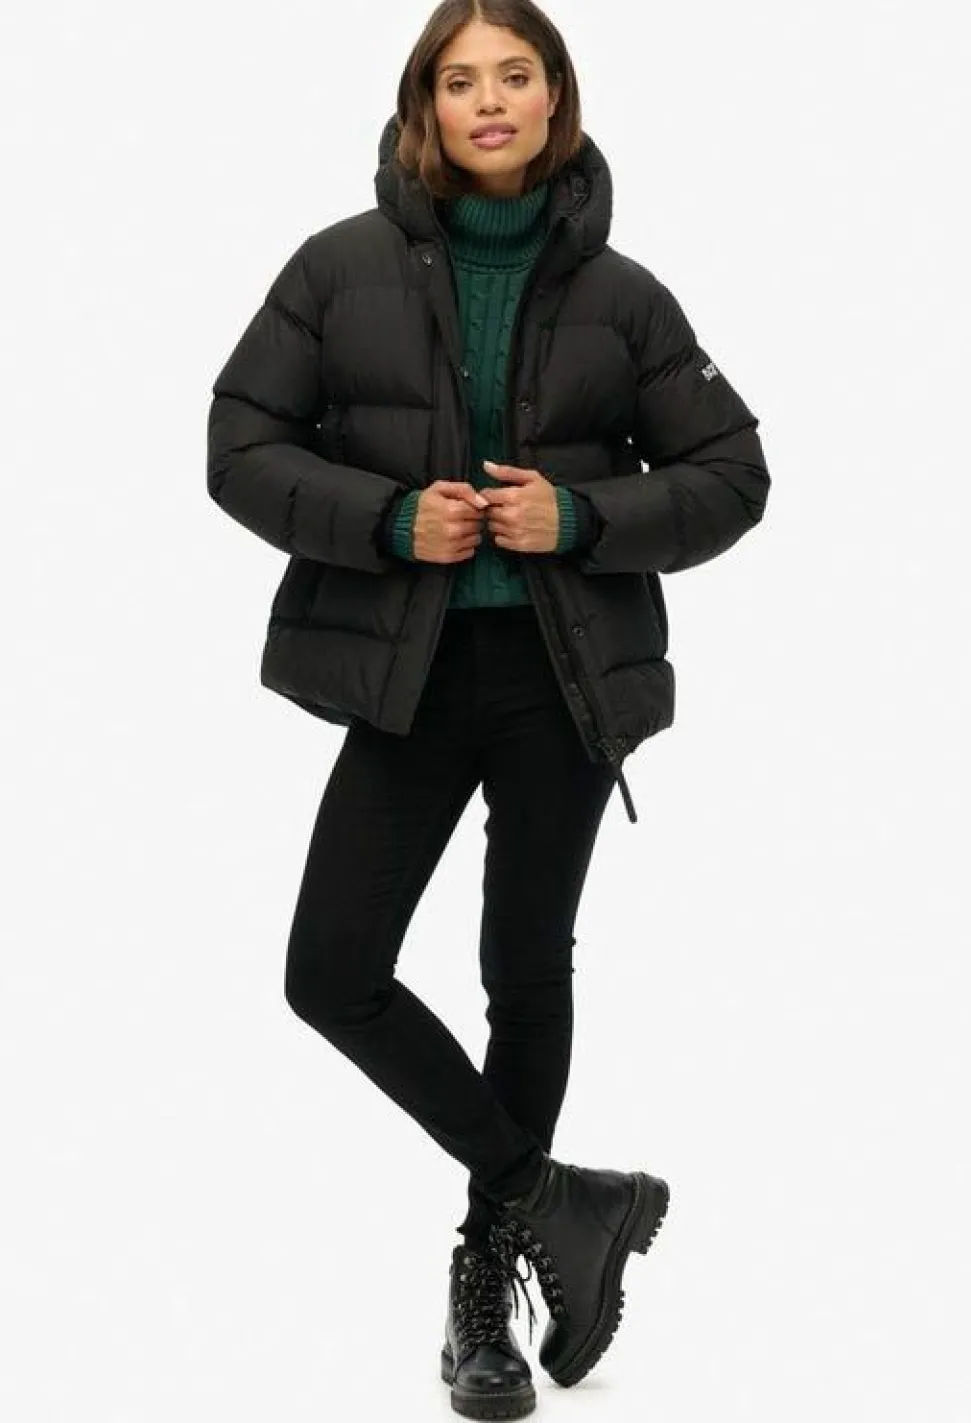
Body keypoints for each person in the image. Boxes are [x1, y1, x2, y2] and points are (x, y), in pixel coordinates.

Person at [206, 0, 769, 1414]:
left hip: (559, 680)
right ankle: (553, 1195)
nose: (491, 100)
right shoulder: (335, 268)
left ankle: (485, 1293)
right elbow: (240, 443)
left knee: (524, 968)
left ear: (556, 97)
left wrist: (581, 514)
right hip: (406, 675)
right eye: (462, 80)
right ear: (427, 106)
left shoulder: (625, 296)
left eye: (517, 74)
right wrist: (389, 519)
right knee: (331, 970)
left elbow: (732, 473)